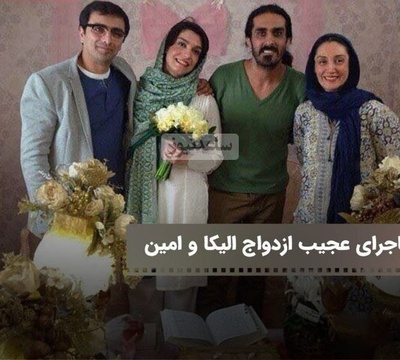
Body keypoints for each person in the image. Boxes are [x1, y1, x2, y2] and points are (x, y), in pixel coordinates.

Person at [196, 4, 306, 322]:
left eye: (277, 33)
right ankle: (206, 343)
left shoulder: (299, 86)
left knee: (255, 280)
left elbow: (304, 138)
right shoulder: (224, 78)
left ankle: (250, 345)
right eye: (261, 33)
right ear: (249, 39)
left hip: (270, 197)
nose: (269, 40)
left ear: (287, 40)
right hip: (223, 193)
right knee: (215, 277)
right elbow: (207, 138)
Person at [125, 19, 222, 313]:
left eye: (196, 51)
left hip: (183, 202)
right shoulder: (138, 92)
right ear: (166, 47)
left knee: (180, 293)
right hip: (140, 199)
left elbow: (218, 152)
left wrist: (187, 157)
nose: (187, 54)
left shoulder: (202, 100)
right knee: (142, 291)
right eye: (181, 44)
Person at [20, 1, 136, 243]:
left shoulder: (124, 74)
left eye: (116, 33)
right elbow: (33, 155)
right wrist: (52, 210)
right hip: (69, 211)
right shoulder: (47, 82)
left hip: (114, 207)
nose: (107, 39)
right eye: (98, 29)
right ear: (81, 33)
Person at [293, 33, 400, 224]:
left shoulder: (374, 112)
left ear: (351, 64)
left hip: (360, 224)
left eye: (339, 60)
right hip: (308, 222)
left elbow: (395, 173)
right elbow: (305, 162)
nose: (331, 69)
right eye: (322, 61)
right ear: (313, 67)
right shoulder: (304, 113)